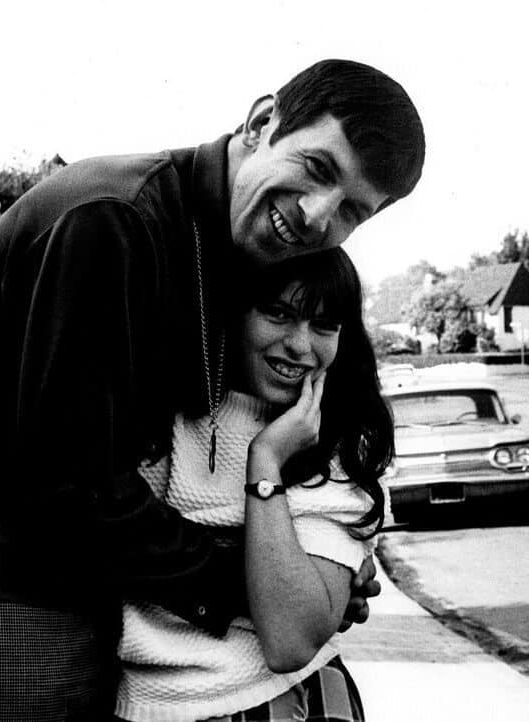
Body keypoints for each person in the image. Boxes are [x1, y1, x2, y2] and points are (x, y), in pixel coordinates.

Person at [0, 59, 424, 720]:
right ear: (259, 123)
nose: (316, 216)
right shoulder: (112, 220)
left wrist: (307, 577)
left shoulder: (221, 247)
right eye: (317, 168)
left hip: (110, 616)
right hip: (15, 606)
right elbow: (67, 481)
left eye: (353, 212)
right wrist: (257, 587)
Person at [115, 248, 392, 722]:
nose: (301, 346)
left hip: (282, 698)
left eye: (324, 324)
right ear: (234, 310)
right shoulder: (158, 415)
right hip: (147, 703)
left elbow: (289, 639)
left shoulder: (336, 441)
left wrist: (264, 461)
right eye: (279, 313)